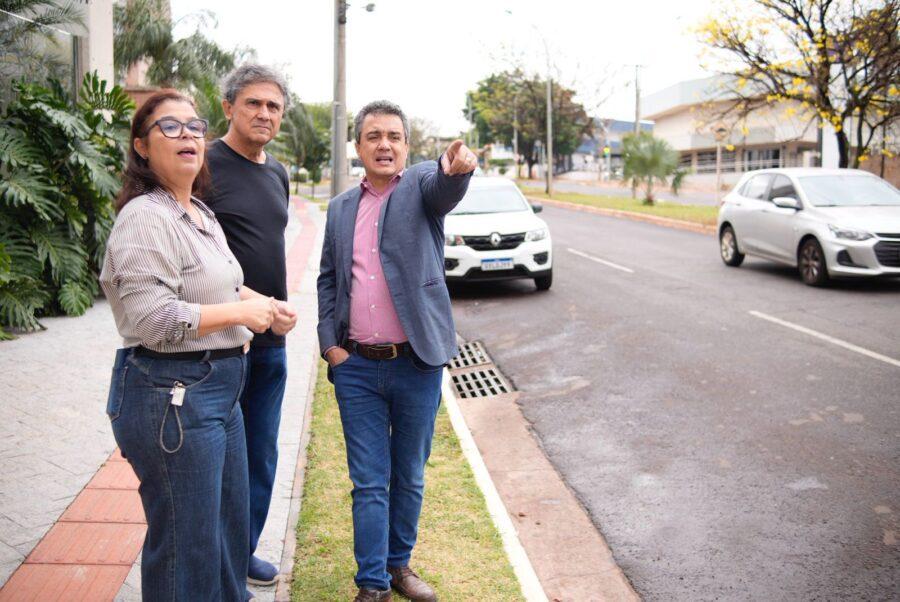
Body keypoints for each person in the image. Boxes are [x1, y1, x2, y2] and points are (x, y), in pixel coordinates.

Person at [100, 90, 279, 601]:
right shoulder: (144, 217)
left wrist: (263, 304)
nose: (188, 137)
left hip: (219, 392)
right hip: (172, 394)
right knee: (186, 545)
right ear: (141, 147)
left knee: (225, 532)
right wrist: (241, 315)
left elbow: (218, 283)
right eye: (170, 128)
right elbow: (155, 320)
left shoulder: (196, 210)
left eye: (194, 127)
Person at [317, 100, 477, 602]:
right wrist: (331, 347)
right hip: (357, 367)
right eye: (373, 136)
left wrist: (455, 168)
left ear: (406, 146)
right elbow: (328, 278)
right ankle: (372, 584)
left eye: (393, 136)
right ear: (358, 145)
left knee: (407, 476)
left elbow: (445, 184)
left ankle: (399, 566)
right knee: (368, 481)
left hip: (416, 363)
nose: (384, 144)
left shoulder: (422, 188)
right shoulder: (342, 208)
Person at [204, 64, 297, 588]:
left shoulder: (277, 172)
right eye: (254, 103)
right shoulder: (205, 167)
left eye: (274, 107)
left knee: (260, 454)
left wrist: (280, 308)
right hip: (218, 345)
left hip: (269, 342)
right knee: (221, 462)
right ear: (229, 107)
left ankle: (241, 552)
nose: (265, 114)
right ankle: (218, 561)